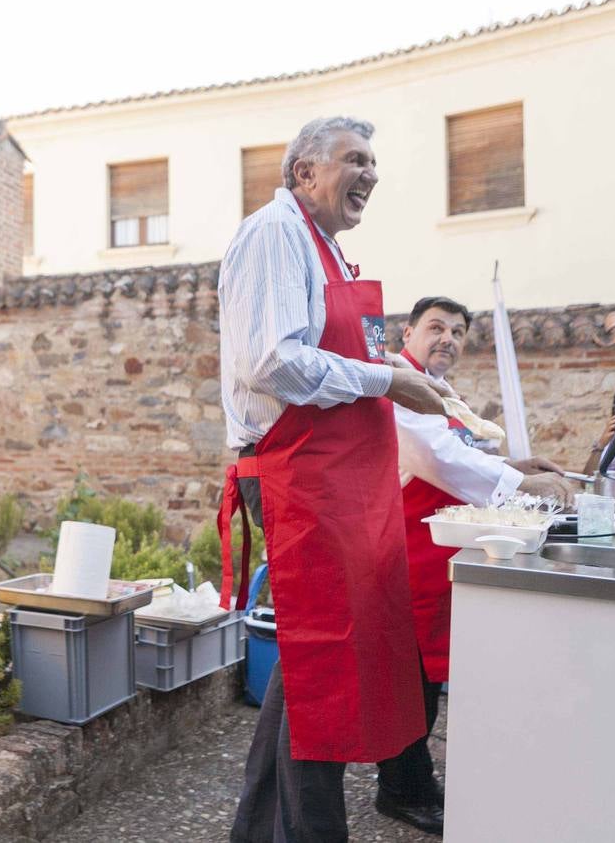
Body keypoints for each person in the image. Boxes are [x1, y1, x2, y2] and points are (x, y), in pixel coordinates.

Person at [218, 116, 446, 843]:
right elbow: (271, 362)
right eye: (356, 160)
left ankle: (269, 830)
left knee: (320, 663)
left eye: (375, 162)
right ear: (303, 174)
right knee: (322, 660)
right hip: (297, 472)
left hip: (334, 476)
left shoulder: (329, 253)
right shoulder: (274, 235)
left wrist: (396, 379)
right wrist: (385, 380)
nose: (371, 175)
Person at [373, 295, 577, 833]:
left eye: (458, 332)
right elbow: (432, 457)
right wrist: (520, 484)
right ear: (409, 333)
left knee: (425, 682)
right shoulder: (400, 385)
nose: (448, 339)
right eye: (436, 328)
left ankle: (416, 784)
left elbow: (459, 449)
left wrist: (509, 464)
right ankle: (401, 790)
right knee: (410, 683)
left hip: (435, 551)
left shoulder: (439, 391)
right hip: (404, 551)